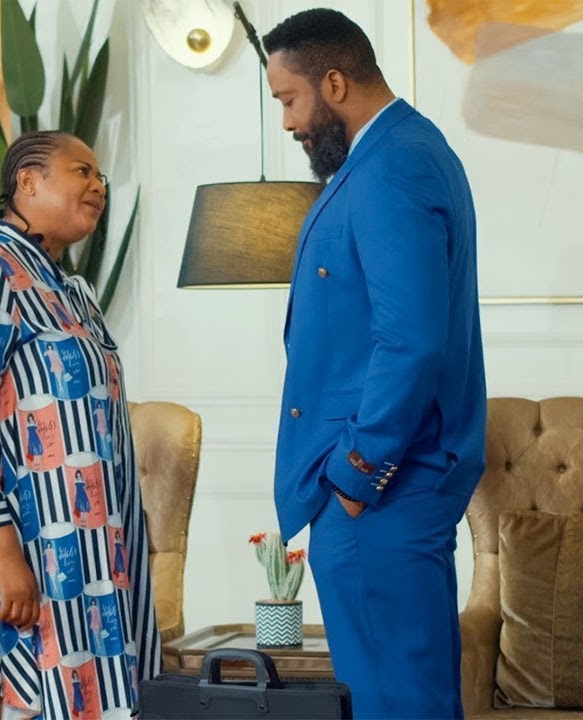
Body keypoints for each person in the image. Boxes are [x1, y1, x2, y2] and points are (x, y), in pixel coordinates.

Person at [264, 9, 485, 718]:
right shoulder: (397, 152)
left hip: (384, 492)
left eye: (289, 99)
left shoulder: (393, 165)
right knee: (399, 698)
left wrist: (357, 475)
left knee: (398, 704)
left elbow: (412, 339)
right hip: (386, 494)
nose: (288, 122)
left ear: (334, 83)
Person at [0, 131, 158, 719]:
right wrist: (5, 554)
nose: (98, 186)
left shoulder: (73, 291)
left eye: (101, 177)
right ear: (27, 182)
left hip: (74, 533)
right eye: (81, 171)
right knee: (4, 687)